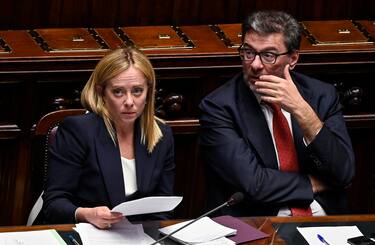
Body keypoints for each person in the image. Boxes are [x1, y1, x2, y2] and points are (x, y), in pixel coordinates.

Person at [199, 10, 355, 216]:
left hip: (322, 218)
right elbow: (255, 185)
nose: (254, 64)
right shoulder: (219, 106)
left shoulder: (321, 95)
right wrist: (314, 184)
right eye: (248, 52)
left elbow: (343, 173)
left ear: (293, 58)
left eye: (268, 55)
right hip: (258, 220)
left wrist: (301, 110)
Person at [42, 47, 175, 228]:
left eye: (137, 91)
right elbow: (54, 204)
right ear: (102, 93)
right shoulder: (79, 131)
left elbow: (163, 206)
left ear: (148, 92)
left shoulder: (161, 135)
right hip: (87, 232)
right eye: (118, 92)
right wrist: (86, 214)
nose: (129, 101)